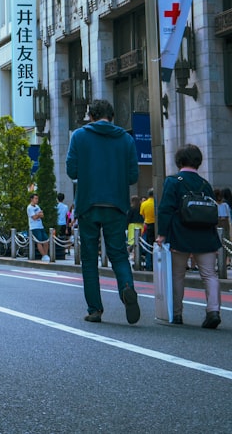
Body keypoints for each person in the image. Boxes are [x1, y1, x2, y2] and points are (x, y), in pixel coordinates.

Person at [65, 99, 140, 325]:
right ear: (113, 115)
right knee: (118, 254)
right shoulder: (126, 139)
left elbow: (71, 170)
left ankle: (95, 309)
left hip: (88, 203)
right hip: (116, 204)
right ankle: (126, 287)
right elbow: (133, 176)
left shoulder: (79, 136)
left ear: (91, 116)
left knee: (89, 258)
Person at [155, 144, 222, 328]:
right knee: (210, 275)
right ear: (198, 162)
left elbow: (166, 209)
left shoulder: (173, 181)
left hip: (181, 234)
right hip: (206, 235)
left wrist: (162, 234)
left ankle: (176, 314)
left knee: (177, 275)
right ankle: (213, 311)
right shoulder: (205, 184)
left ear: (179, 161)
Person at [25, 193, 49, 261]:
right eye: (35, 198)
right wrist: (38, 214)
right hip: (34, 227)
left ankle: (45, 255)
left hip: (40, 226)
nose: (37, 200)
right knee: (39, 241)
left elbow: (42, 215)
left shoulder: (37, 206)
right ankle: (43, 255)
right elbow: (34, 217)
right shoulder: (29, 207)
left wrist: (38, 214)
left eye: (37, 198)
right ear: (31, 199)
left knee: (46, 241)